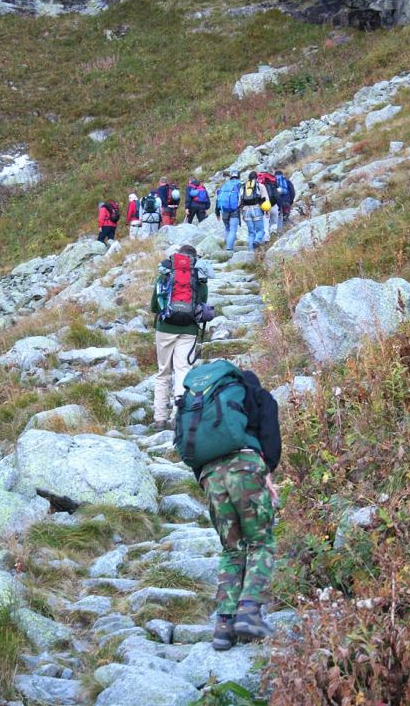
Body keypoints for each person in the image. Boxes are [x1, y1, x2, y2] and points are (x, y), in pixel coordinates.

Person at [195, 370, 281, 651]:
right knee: (261, 542)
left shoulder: (208, 407)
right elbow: (271, 445)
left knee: (232, 548)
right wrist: (265, 472)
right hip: (246, 468)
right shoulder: (260, 396)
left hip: (209, 475)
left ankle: (223, 626)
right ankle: (249, 611)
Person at [150, 245, 209, 431]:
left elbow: (154, 306)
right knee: (183, 371)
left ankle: (160, 419)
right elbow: (202, 305)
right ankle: (178, 417)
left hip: (165, 328)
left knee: (163, 372)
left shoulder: (165, 275)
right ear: (194, 259)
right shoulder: (200, 278)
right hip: (188, 329)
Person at [239, 171, 268, 251]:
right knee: (261, 230)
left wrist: (242, 214)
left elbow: (240, 202)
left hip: (246, 211)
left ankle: (251, 252)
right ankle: (257, 240)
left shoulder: (243, 187)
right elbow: (265, 199)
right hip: (257, 209)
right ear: (257, 178)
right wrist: (267, 211)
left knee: (251, 233)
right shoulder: (260, 186)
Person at [215, 170, 241, 252]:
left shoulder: (224, 185)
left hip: (224, 210)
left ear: (230, 177)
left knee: (227, 228)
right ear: (239, 177)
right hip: (234, 211)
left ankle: (227, 247)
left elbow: (218, 199)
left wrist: (217, 212)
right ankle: (229, 248)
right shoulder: (239, 185)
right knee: (233, 229)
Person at [257, 171, 280, 244]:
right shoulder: (272, 181)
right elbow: (278, 192)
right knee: (274, 222)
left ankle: (266, 241)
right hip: (274, 205)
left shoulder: (258, 184)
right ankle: (274, 237)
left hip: (264, 206)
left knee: (265, 225)